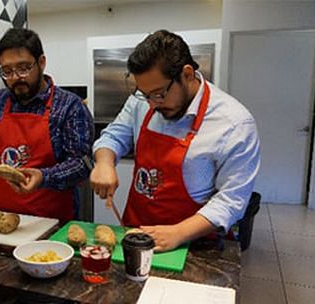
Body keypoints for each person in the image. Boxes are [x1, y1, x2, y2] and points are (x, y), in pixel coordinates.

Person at [90, 30, 261, 252]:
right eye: (145, 94)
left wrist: (178, 233)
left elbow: (231, 200)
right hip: (135, 233)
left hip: (195, 245)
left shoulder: (234, 124)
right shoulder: (143, 101)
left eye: (159, 94)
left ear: (187, 74)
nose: (151, 104)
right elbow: (113, 136)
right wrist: (104, 162)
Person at [0, 28, 94, 221]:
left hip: (51, 223)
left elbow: (82, 164)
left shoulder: (69, 106)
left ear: (41, 62)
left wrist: (44, 177)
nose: (15, 77)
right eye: (7, 71)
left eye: (23, 68)